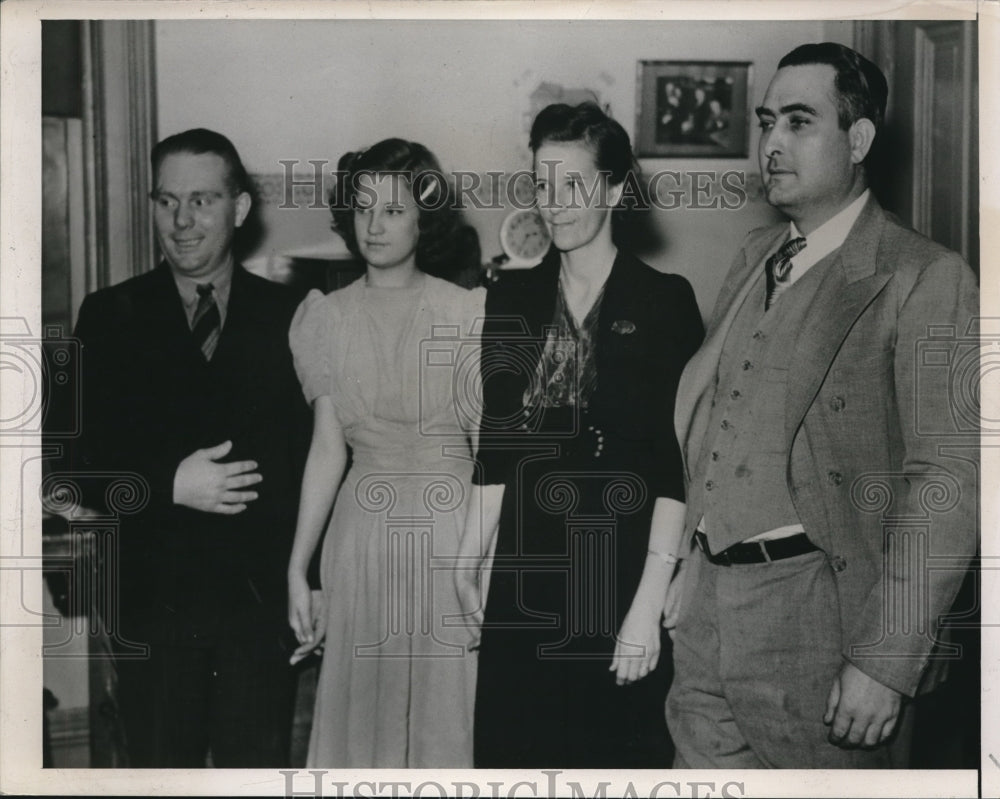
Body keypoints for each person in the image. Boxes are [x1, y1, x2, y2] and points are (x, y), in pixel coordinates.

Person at [666, 43, 979, 768]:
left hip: (822, 623)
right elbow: (717, 419)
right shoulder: (754, 257)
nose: (772, 143)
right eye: (767, 121)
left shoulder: (923, 276)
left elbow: (949, 483)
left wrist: (885, 659)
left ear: (859, 139)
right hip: (710, 615)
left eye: (800, 122)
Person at [456, 102, 704, 767]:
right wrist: (465, 559)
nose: (554, 203)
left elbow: (671, 464)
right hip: (523, 567)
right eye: (542, 184)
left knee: (612, 761)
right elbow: (497, 443)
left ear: (615, 188)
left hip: (617, 564)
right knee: (515, 759)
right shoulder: (509, 297)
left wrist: (648, 603)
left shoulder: (664, 301)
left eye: (573, 185)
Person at [62, 128, 310, 766]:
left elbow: (319, 465)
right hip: (153, 614)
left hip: (258, 619)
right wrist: (165, 484)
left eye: (201, 200)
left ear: (240, 208)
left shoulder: (296, 316)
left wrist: (313, 582)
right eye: (167, 200)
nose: (182, 220)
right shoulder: (107, 315)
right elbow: (64, 469)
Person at [287, 138, 484, 768]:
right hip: (363, 537)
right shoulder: (325, 318)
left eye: (394, 210)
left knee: (448, 718)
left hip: (451, 536)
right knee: (362, 723)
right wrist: (300, 567)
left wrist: (487, 557)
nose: (374, 224)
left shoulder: (470, 312)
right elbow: (326, 451)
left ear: (425, 219)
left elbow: (490, 453)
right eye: (363, 206)